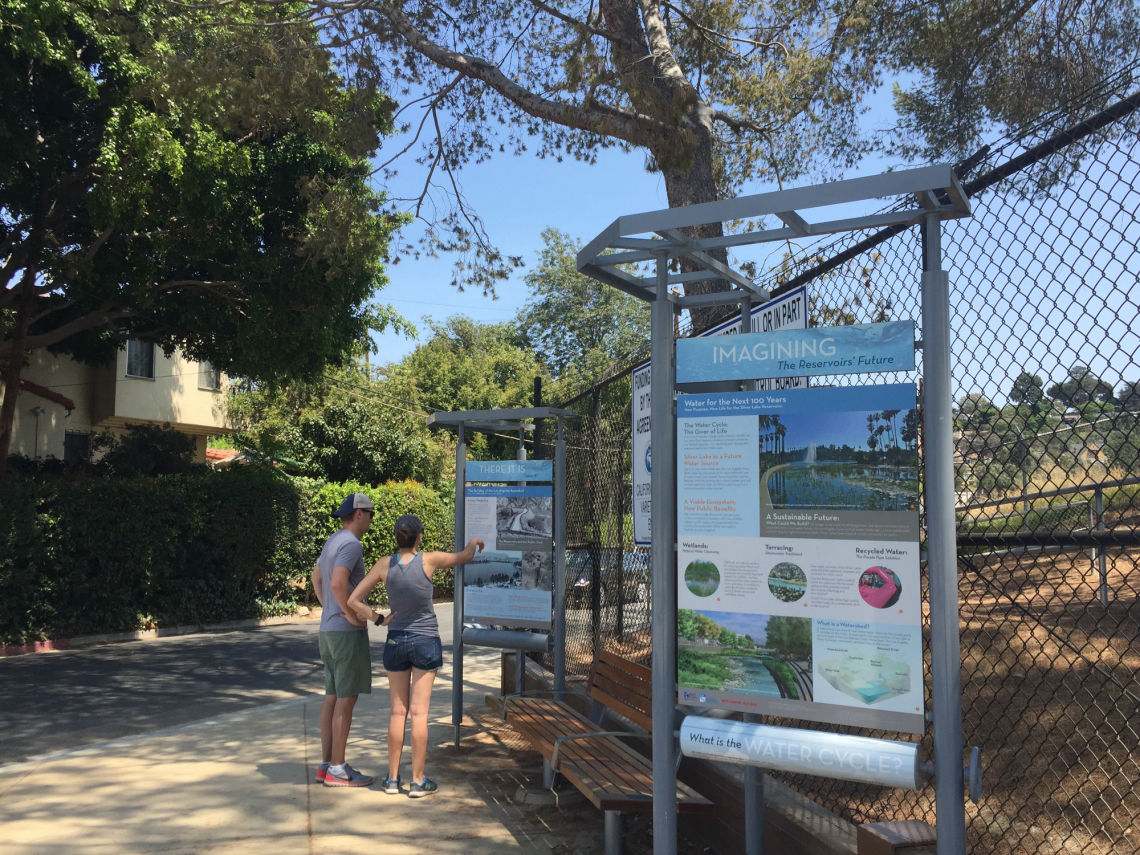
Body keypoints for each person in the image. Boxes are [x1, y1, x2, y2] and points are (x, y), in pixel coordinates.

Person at [348, 514, 484, 798]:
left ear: (397, 537)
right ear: (418, 537)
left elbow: (353, 600)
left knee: (398, 712)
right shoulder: (429, 560)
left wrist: (378, 619)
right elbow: (464, 556)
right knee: (420, 714)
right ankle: (418, 780)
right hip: (425, 640)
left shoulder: (385, 565)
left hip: (395, 640)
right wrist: (473, 542)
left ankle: (392, 780)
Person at [311, 492, 392, 788]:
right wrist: (346, 612)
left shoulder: (332, 540)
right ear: (359, 514)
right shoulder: (351, 544)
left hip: (327, 631)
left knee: (332, 696)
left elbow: (316, 579)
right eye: (370, 513)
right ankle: (338, 770)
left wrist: (330, 609)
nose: (372, 519)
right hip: (346, 633)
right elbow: (336, 582)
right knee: (347, 700)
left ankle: (327, 764)